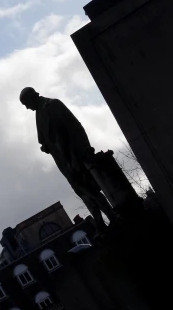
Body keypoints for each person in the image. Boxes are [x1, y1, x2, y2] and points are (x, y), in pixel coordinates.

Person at [19, 86, 116, 230]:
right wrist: (46, 146)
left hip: (75, 155)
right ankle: (100, 223)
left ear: (32, 97)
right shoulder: (38, 113)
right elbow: (44, 139)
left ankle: (112, 216)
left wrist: (83, 151)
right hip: (63, 162)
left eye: (26, 104)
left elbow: (76, 127)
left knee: (91, 189)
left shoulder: (53, 105)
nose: (27, 108)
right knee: (83, 192)